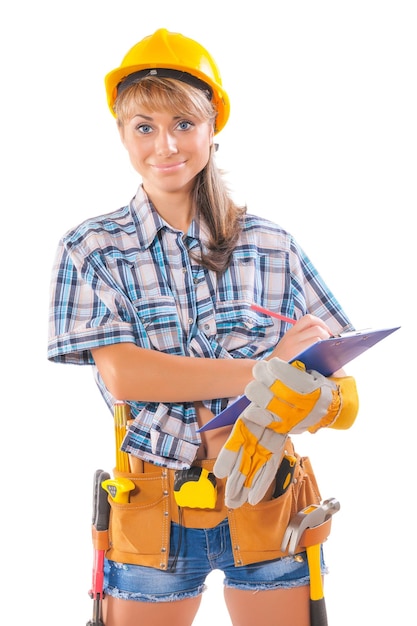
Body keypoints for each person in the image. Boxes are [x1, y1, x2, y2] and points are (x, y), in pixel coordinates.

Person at [47, 28, 359, 626]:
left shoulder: (270, 245)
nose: (165, 145)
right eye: (144, 127)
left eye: (183, 124)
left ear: (212, 126)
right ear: (121, 134)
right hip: (153, 509)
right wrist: (271, 372)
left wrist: (320, 396)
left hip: (267, 499)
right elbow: (127, 376)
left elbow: (337, 364)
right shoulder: (94, 249)